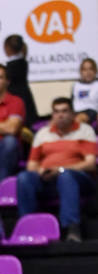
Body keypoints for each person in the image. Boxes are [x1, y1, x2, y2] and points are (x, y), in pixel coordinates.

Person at [17, 96, 97, 244]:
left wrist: (60, 169)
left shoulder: (85, 131)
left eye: (65, 111)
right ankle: (27, 226)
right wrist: (41, 171)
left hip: (79, 179)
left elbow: (90, 163)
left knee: (65, 176)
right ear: (52, 115)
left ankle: (72, 228)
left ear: (73, 114)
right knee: (24, 177)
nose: (60, 115)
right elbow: (31, 165)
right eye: (56, 112)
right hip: (48, 179)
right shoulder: (43, 133)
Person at [71, 56, 98, 125]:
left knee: (78, 119)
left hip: (91, 111)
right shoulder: (76, 85)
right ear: (81, 72)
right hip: (76, 111)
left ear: (95, 71)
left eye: (90, 69)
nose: (88, 72)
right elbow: (72, 101)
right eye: (85, 70)